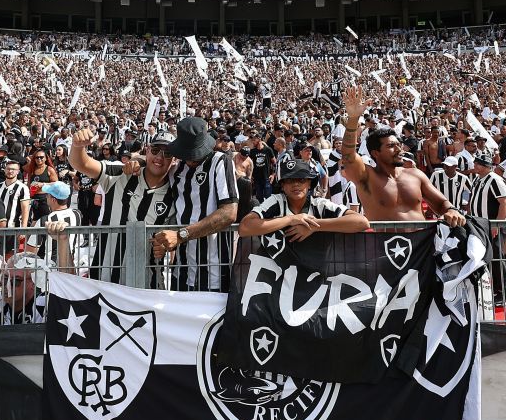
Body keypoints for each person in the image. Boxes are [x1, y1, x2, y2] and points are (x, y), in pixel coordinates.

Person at [339, 87, 465, 226]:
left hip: (421, 244)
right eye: (391, 146)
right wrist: (353, 119)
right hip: (383, 245)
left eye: (399, 144)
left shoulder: (416, 175)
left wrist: (452, 210)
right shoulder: (367, 176)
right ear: (375, 153)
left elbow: (441, 203)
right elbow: (348, 155)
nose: (399, 149)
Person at [70, 128, 175, 283]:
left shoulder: (175, 195)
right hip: (105, 279)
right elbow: (81, 164)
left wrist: (166, 246)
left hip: (146, 283)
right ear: (147, 151)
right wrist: (78, 146)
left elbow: (173, 238)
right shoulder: (121, 174)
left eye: (167, 153)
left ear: (174, 160)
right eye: (155, 150)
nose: (160, 156)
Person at [151, 117, 238, 291]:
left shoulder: (220, 162)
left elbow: (228, 213)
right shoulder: (177, 170)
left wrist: (181, 235)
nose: (190, 159)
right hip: (181, 271)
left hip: (215, 270)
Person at [238, 158, 370, 241]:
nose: (296, 184)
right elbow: (245, 227)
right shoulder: (275, 201)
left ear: (309, 184)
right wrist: (290, 219)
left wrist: (314, 227)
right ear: (282, 186)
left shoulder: (319, 204)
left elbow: (361, 222)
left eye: (301, 180)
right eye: (289, 181)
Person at [468, 155, 506, 307]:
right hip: (480, 226)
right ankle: (493, 291)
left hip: (491, 227)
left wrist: (496, 225)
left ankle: (504, 294)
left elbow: (505, 203)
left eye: (478, 163)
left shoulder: (494, 179)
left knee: (496, 260)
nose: (475, 165)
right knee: (485, 260)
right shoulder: (477, 179)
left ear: (485, 166)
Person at [29, 181, 81, 268]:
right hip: (70, 265)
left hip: (49, 269)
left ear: (53, 199)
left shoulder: (44, 220)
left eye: (47, 195)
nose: (46, 197)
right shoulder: (77, 214)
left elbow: (30, 252)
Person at [0, 159, 30, 255]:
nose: (10, 171)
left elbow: (25, 209)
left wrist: (24, 229)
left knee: (9, 257)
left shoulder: (22, 188)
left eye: (13, 169)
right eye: (8, 169)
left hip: (12, 228)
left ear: (18, 171)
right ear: (4, 170)